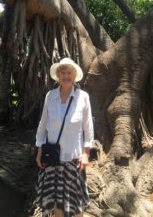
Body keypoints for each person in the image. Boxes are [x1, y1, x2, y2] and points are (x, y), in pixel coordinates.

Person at [33, 58, 94, 217]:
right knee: (56, 202)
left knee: (76, 202)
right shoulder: (50, 96)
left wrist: (86, 153)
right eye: (63, 73)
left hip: (73, 159)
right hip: (53, 158)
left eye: (69, 73)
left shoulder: (83, 97)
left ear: (74, 76)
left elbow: (88, 128)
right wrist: (39, 151)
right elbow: (43, 124)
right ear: (58, 76)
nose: (66, 76)